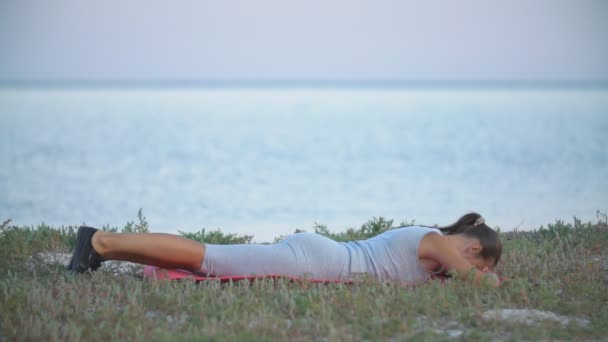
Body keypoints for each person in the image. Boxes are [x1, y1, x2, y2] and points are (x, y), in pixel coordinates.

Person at [68, 212, 502, 286]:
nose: (474, 269)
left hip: (319, 255)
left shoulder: (429, 239)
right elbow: (476, 285)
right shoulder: (443, 244)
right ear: (473, 251)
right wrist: (488, 281)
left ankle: (102, 251)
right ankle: (99, 241)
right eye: (482, 264)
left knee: (207, 259)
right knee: (208, 256)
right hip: (314, 260)